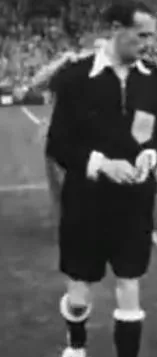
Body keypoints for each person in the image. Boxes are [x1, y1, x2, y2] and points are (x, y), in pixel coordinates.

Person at [45, 0, 157, 357]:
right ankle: (76, 342)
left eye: (151, 36)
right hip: (86, 202)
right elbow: (59, 144)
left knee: (130, 283)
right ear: (117, 29)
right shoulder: (76, 78)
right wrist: (102, 165)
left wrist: (150, 157)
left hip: (135, 201)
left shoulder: (153, 79)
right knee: (80, 290)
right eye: (140, 34)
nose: (147, 43)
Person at [14, 41, 104, 223]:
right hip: (63, 138)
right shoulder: (67, 73)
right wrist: (62, 60)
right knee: (62, 192)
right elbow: (36, 84)